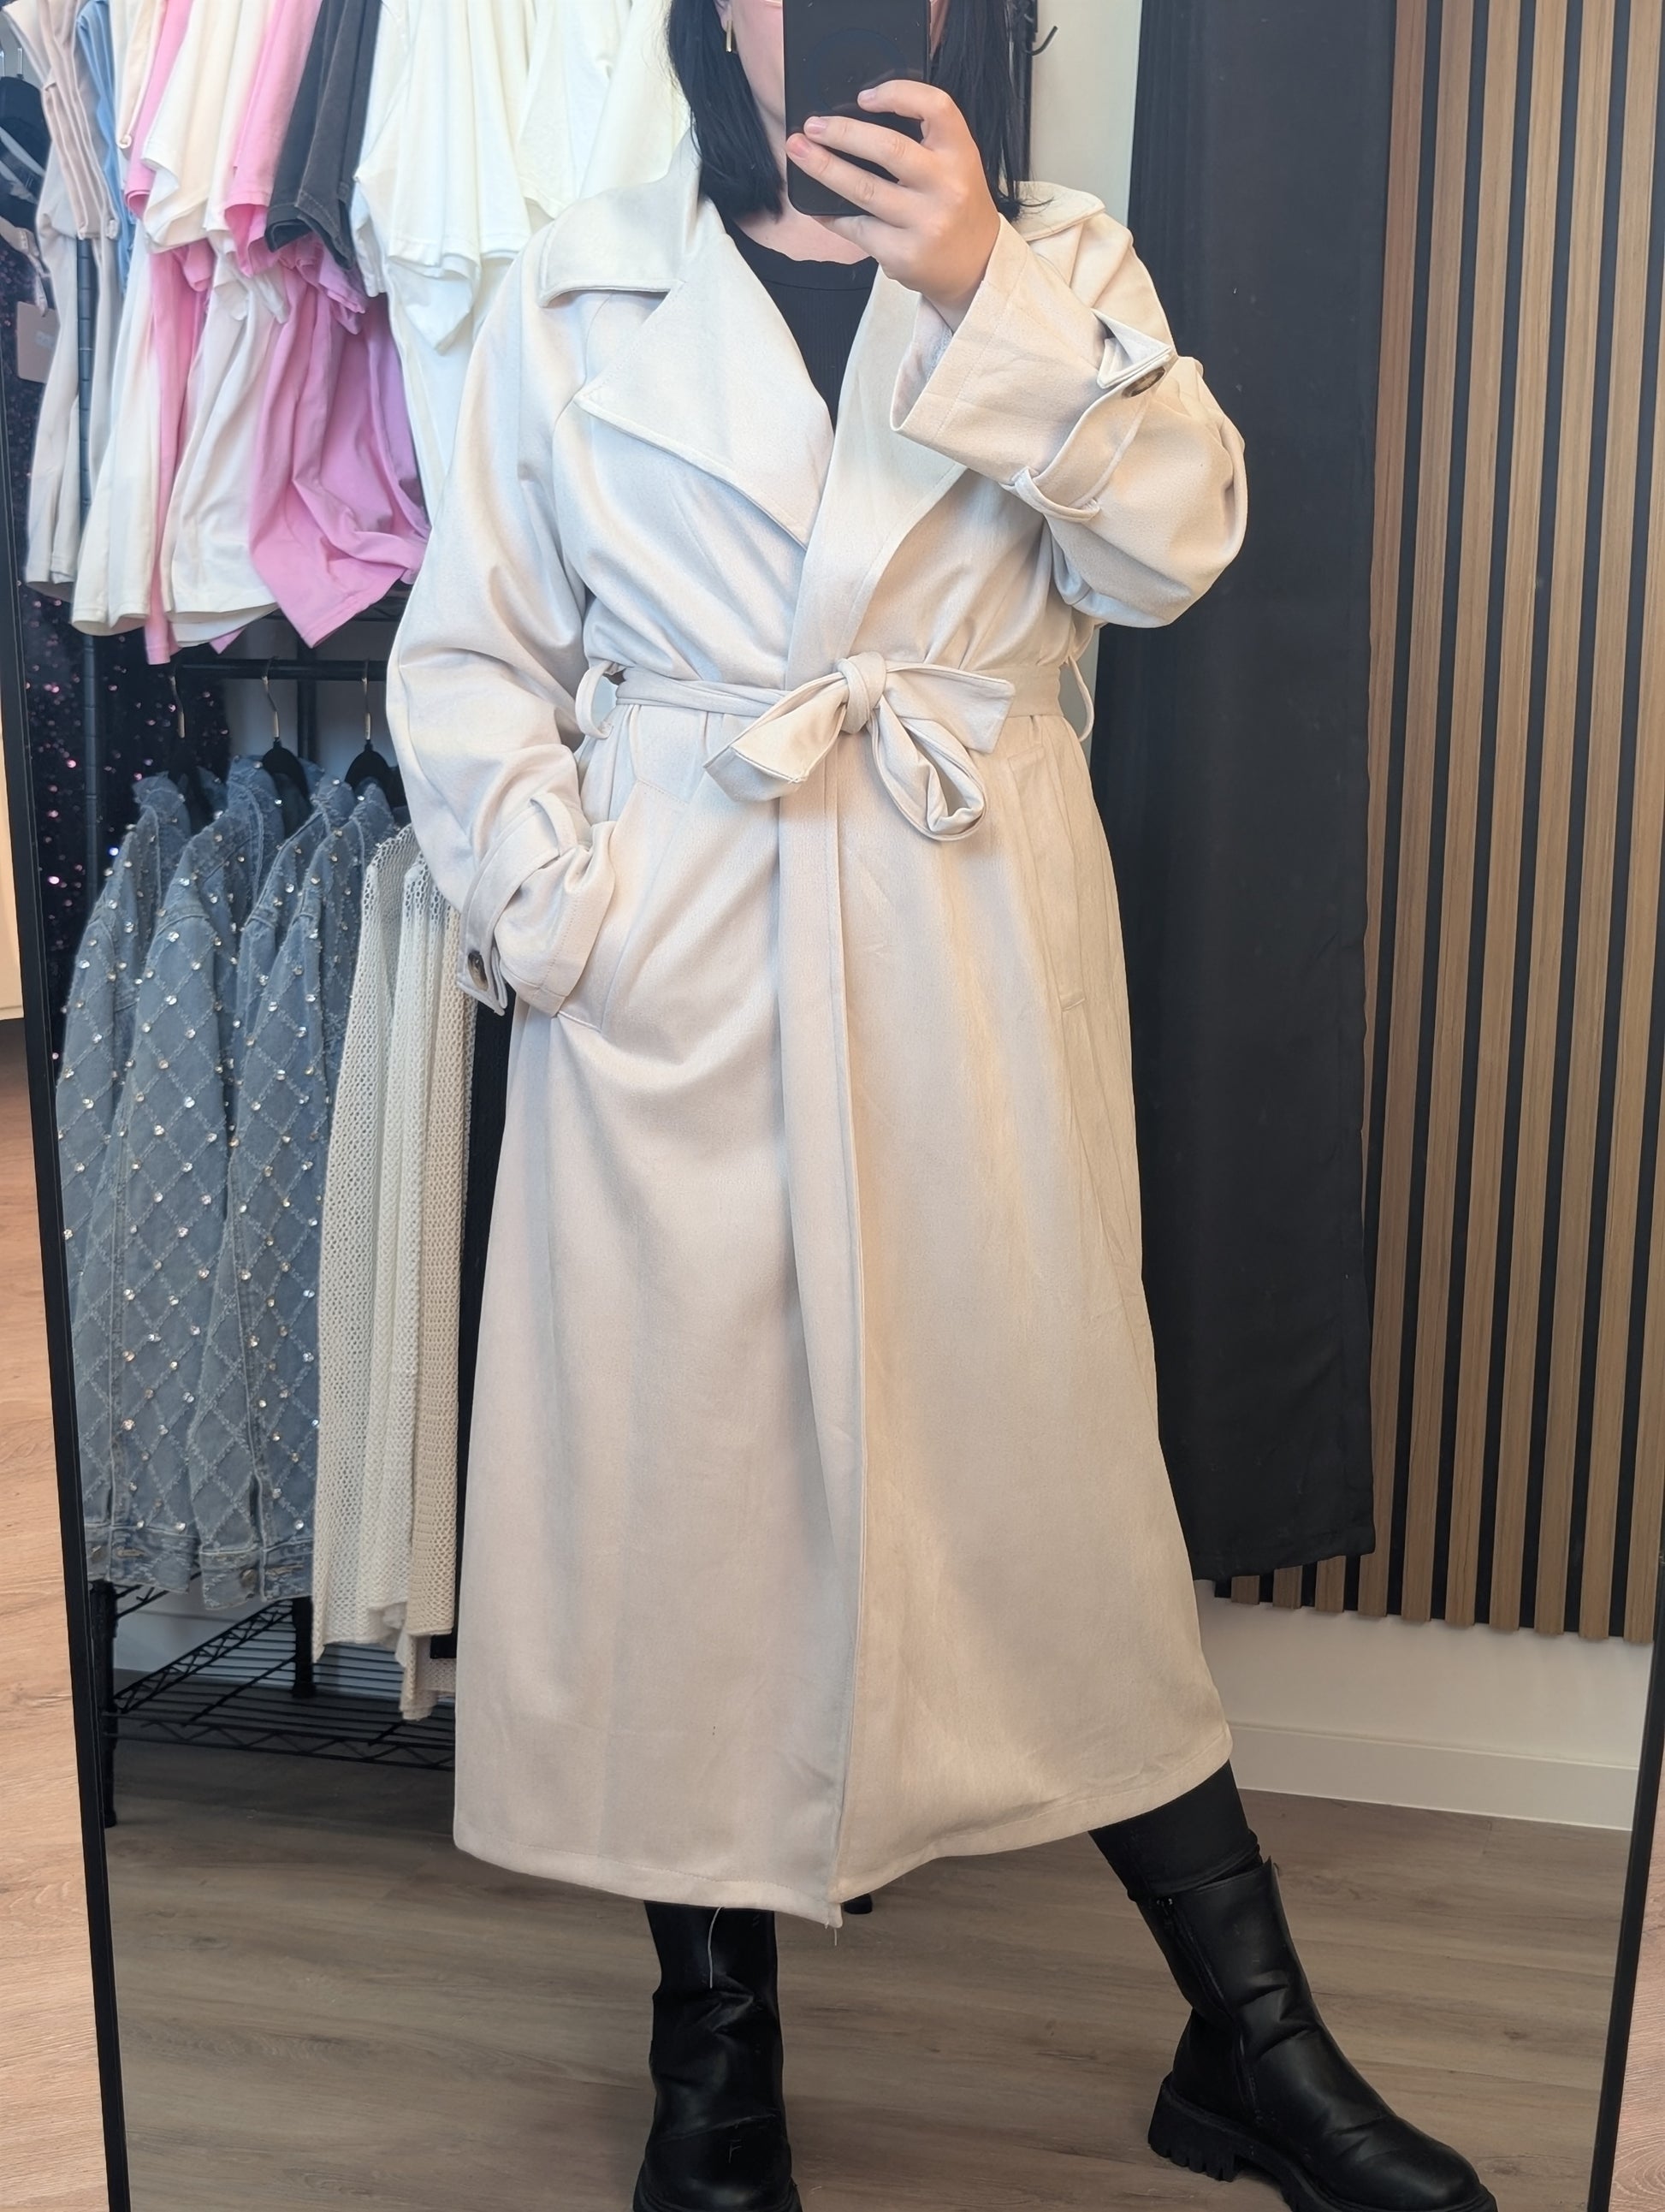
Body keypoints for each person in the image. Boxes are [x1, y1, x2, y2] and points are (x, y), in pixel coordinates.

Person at [386, 3, 1494, 2209]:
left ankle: (1251, 2041)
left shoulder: (1056, 259)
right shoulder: (579, 286)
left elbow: (1177, 541)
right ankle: (714, 2079)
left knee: (1059, 1490)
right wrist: (560, 903)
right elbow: (473, 653)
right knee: (693, 1518)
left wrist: (981, 285)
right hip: (682, 959)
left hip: (964, 939)